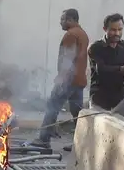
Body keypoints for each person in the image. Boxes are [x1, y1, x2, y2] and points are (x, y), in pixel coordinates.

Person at [30, 9, 92, 151]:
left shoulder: (70, 35)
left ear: (71, 20)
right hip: (79, 79)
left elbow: (67, 59)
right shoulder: (83, 34)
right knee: (77, 113)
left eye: (63, 19)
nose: (60, 22)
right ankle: (83, 143)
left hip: (68, 79)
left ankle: (43, 139)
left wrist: (61, 78)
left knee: (53, 106)